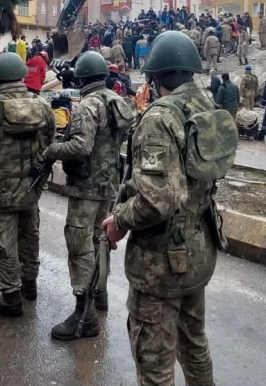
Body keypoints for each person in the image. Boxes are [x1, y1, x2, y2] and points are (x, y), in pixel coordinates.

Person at [100, 30, 237, 386]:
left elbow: (157, 199)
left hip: (161, 264)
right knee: (193, 343)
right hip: (199, 249)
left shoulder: (160, 119)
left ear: (156, 76)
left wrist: (120, 221)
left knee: (154, 361)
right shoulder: (206, 106)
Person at [44, 52, 133, 341]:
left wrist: (52, 150)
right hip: (109, 185)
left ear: (81, 78)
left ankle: (85, 315)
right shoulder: (116, 101)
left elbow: (80, 147)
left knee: (79, 244)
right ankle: (100, 294)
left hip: (86, 187)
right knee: (99, 242)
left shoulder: (88, 105)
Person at [0, 52, 54, 317]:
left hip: (0, 192)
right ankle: (29, 286)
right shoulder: (43, 106)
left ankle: (11, 298)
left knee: (2, 242)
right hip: (32, 189)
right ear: (21, 76)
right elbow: (51, 145)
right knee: (29, 237)